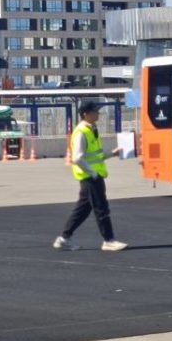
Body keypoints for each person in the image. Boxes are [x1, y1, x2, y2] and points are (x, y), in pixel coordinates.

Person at [52, 101, 127, 251]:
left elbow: (96, 155)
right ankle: (108, 240)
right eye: (95, 111)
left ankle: (63, 238)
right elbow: (77, 158)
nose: (98, 114)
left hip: (93, 175)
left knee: (83, 209)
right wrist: (92, 173)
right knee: (101, 208)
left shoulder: (91, 129)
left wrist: (112, 153)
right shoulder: (81, 132)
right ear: (85, 114)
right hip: (90, 177)